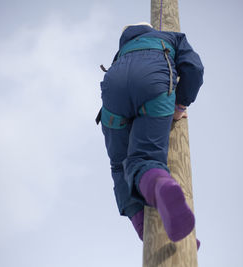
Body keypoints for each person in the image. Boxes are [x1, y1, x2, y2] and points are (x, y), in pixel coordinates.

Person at [96, 22, 204, 243]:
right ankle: (162, 187)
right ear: (151, 29)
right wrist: (180, 105)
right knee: (145, 158)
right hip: (154, 82)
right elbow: (194, 68)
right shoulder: (172, 37)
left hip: (113, 92)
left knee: (120, 166)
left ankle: (148, 232)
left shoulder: (122, 52)